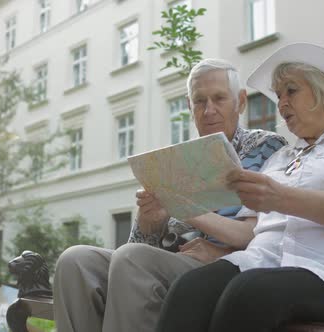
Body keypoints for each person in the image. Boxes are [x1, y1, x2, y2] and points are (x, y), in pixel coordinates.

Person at [155, 43, 324, 332]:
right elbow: (250, 231)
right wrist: (178, 204)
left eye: (291, 91)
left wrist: (280, 197)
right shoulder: (278, 158)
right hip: (264, 266)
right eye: (278, 94)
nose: (281, 103)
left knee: (249, 291)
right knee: (191, 288)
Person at [53, 58, 288, 332]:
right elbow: (139, 246)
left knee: (132, 260)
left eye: (219, 99)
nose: (209, 110)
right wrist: (149, 223)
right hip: (167, 259)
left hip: (222, 267)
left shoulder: (268, 147)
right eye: (199, 101)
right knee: (75, 261)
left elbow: (267, 234)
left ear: (241, 102)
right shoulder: (178, 159)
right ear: (190, 107)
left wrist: (194, 218)